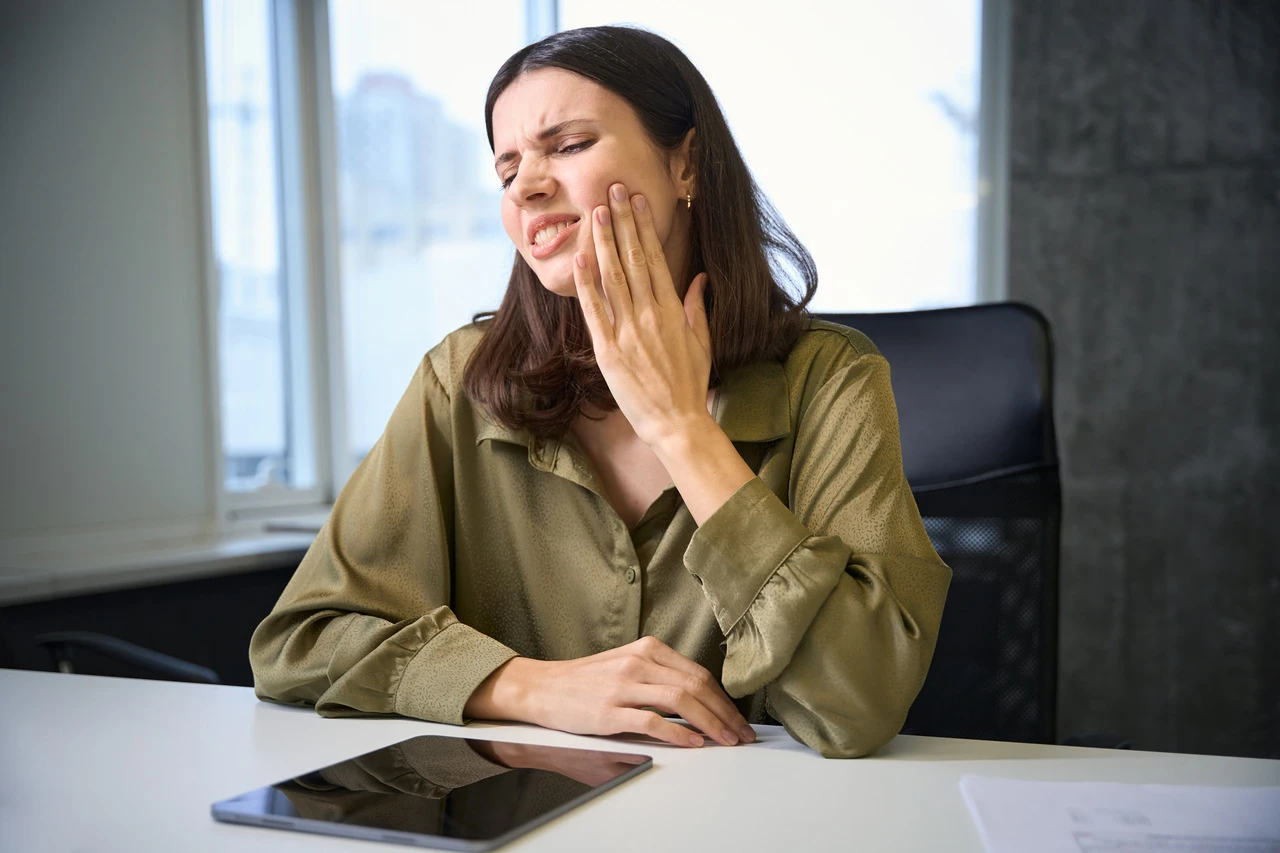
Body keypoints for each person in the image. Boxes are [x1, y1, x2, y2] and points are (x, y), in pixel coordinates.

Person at [250, 25, 951, 759]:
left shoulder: (830, 380)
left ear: (687, 165)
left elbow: (860, 706)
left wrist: (682, 427)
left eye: (570, 145)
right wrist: (527, 685)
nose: (527, 185)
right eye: (507, 168)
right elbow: (301, 640)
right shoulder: (457, 380)